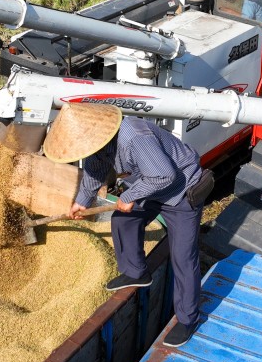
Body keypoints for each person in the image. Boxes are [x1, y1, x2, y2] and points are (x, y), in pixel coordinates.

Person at [42, 103, 214, 348]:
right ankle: (136, 272)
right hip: (151, 185)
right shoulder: (99, 142)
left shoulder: (134, 138)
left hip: (181, 191)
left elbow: (165, 176)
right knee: (123, 220)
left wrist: (130, 196)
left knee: (183, 257)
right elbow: (95, 169)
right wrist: (82, 201)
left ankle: (188, 319)